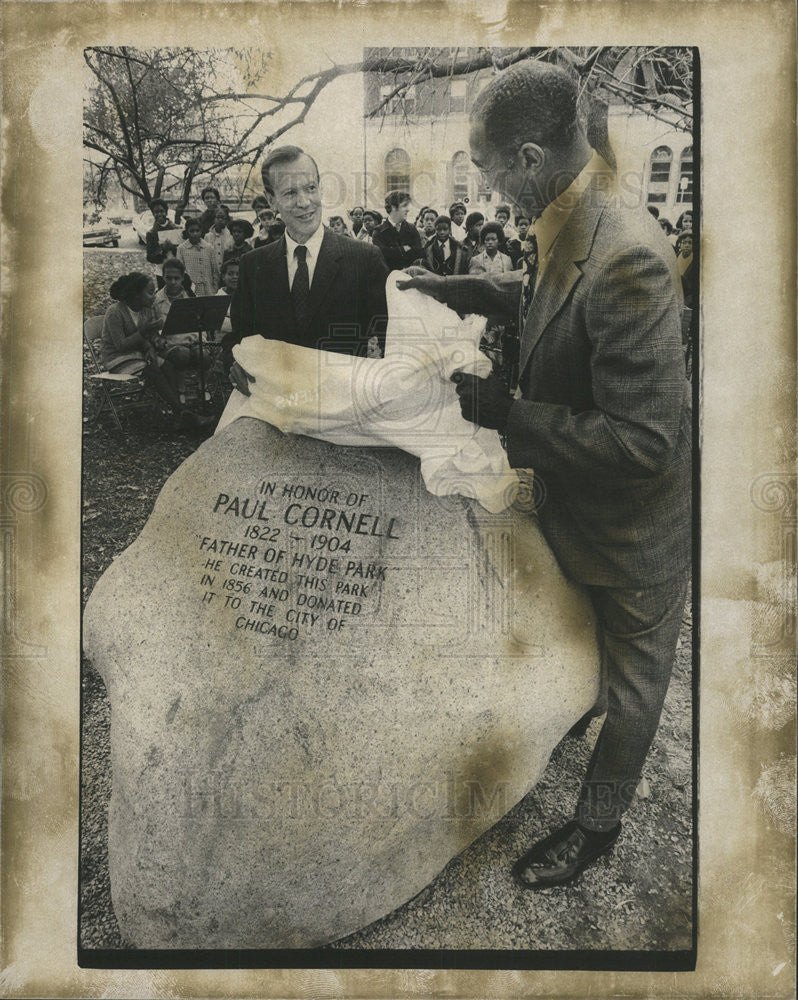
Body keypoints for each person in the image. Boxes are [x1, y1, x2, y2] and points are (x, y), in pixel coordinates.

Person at [398, 59, 691, 890]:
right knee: (571, 639)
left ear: (529, 158)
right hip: (569, 499)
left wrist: (506, 414)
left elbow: (646, 443)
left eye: (489, 170)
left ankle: (596, 825)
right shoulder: (567, 204)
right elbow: (540, 288)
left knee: (634, 688)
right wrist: (457, 286)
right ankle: (571, 707)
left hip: (634, 529)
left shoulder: (627, 254)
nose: (486, 188)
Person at [225, 145, 389, 389]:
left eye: (311, 188)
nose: (304, 202)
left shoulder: (365, 259)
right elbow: (240, 336)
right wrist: (236, 361)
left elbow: (391, 335)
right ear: (272, 200)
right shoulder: (253, 265)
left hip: (343, 402)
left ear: (320, 187)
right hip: (275, 402)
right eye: (290, 193)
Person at [98, 272, 207, 429]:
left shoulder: (145, 310)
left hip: (137, 355)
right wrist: (144, 332)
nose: (154, 297)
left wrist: (149, 347)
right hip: (116, 358)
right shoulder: (115, 312)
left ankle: (180, 415)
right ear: (135, 295)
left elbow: (145, 339)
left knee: (168, 365)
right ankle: (182, 412)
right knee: (152, 369)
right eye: (150, 293)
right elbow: (120, 345)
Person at [152, 258, 211, 403]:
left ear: (182, 278)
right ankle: (181, 389)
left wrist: (201, 338)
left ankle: (202, 387)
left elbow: (201, 324)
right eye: (168, 278)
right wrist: (157, 340)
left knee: (204, 355)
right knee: (182, 354)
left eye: (176, 278)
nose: (172, 282)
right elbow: (151, 328)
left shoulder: (190, 296)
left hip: (191, 342)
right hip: (170, 346)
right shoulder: (156, 300)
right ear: (163, 277)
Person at [372, 190, 423, 270]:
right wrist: (403, 249)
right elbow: (381, 256)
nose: (408, 209)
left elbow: (418, 253)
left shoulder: (412, 229)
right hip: (388, 278)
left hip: (410, 278)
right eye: (404, 206)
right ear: (393, 207)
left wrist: (393, 251)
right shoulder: (378, 232)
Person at [177, 218, 219, 297]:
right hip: (191, 290)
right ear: (187, 232)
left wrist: (215, 289)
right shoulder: (181, 249)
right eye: (192, 231)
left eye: (197, 230)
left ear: (201, 231)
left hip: (208, 290)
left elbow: (215, 270)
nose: (195, 233)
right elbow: (181, 271)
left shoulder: (209, 248)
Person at [145, 199, 180, 265]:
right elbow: (149, 257)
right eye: (156, 212)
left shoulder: (176, 229)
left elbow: (183, 251)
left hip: (178, 269)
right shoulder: (151, 234)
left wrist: (173, 248)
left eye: (162, 211)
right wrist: (161, 249)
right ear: (153, 214)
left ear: (166, 212)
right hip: (161, 271)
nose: (159, 214)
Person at [205, 205, 234, 273]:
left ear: (227, 219)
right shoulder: (208, 236)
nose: (220, 220)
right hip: (212, 272)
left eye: (222, 218)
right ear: (214, 219)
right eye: (218, 217)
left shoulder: (231, 236)